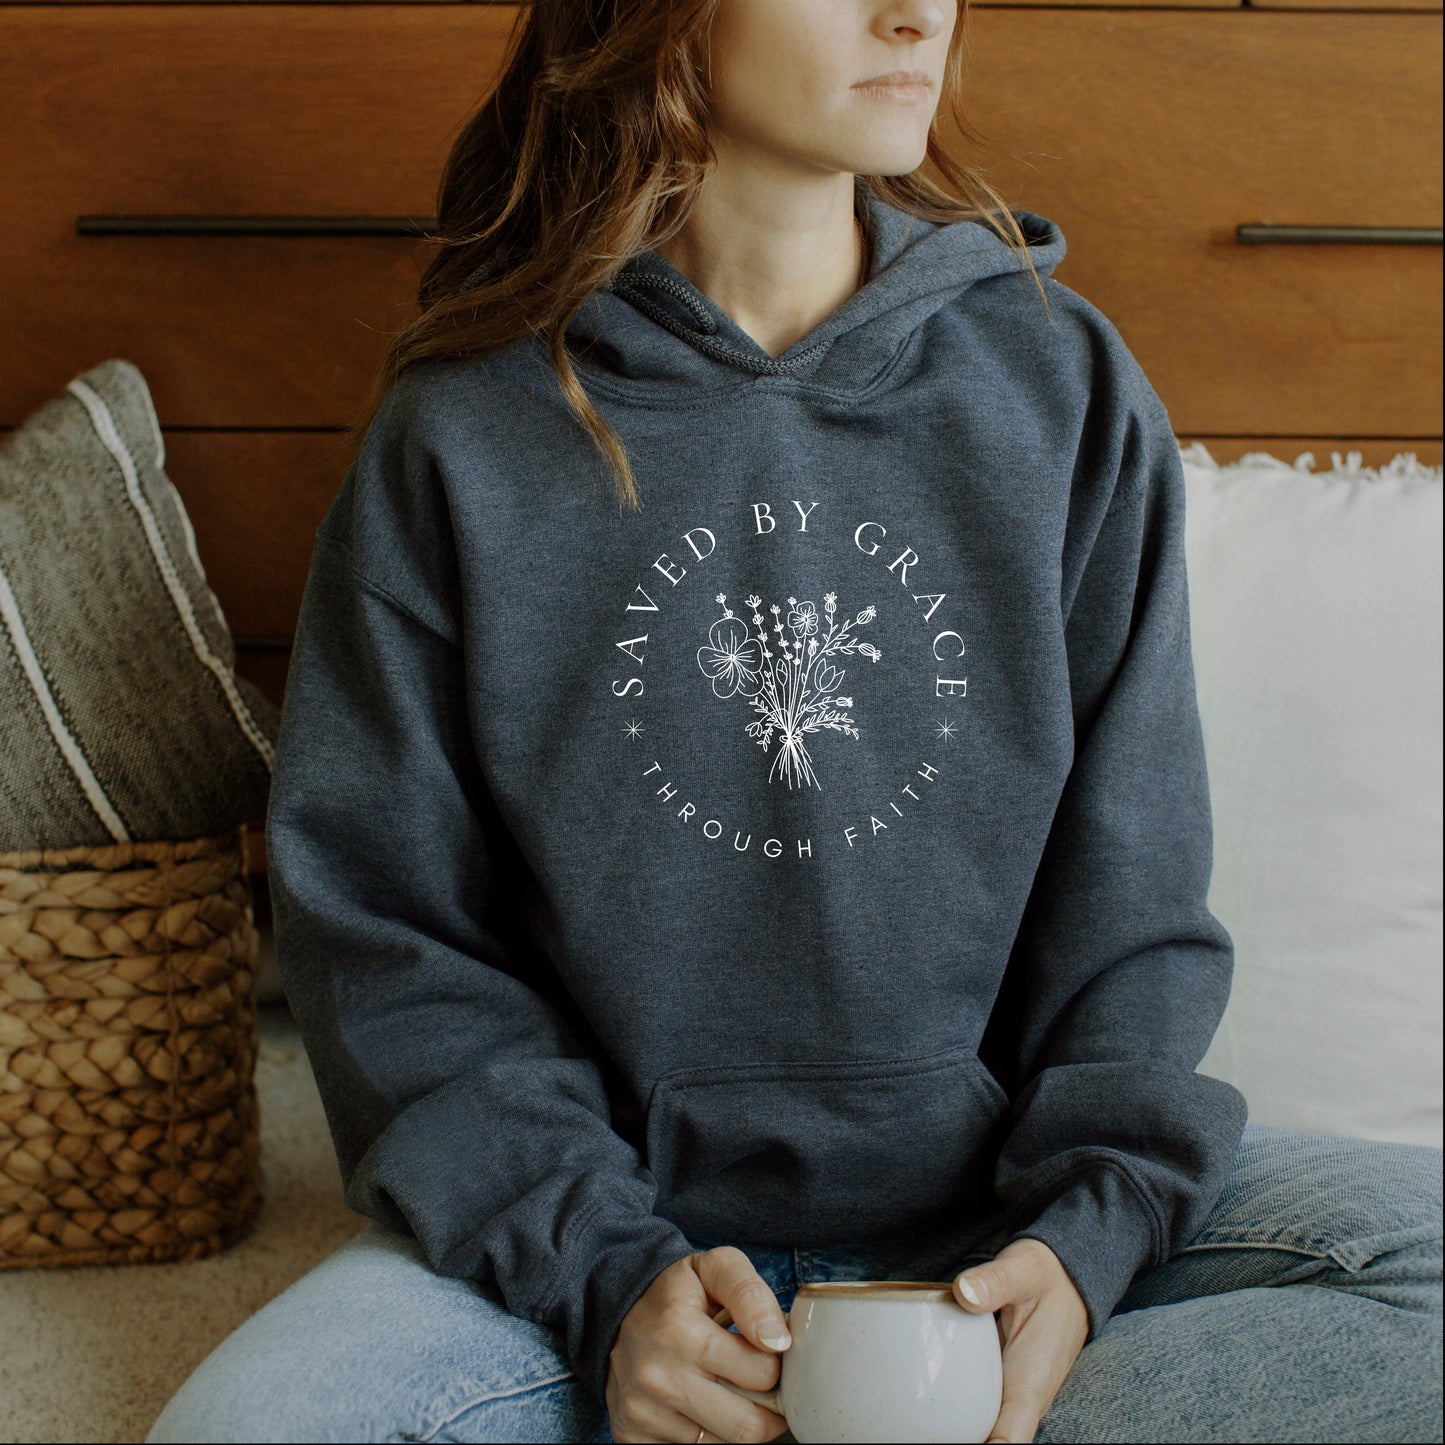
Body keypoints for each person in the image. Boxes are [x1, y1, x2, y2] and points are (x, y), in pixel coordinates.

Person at [147, 2, 1443, 1442]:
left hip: (999, 1229)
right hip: (618, 1261)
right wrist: (602, 1277)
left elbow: (1132, 906)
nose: (914, 12)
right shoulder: (461, 437)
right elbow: (388, 943)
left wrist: (1082, 1247)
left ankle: (943, 1414)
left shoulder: (1058, 383)